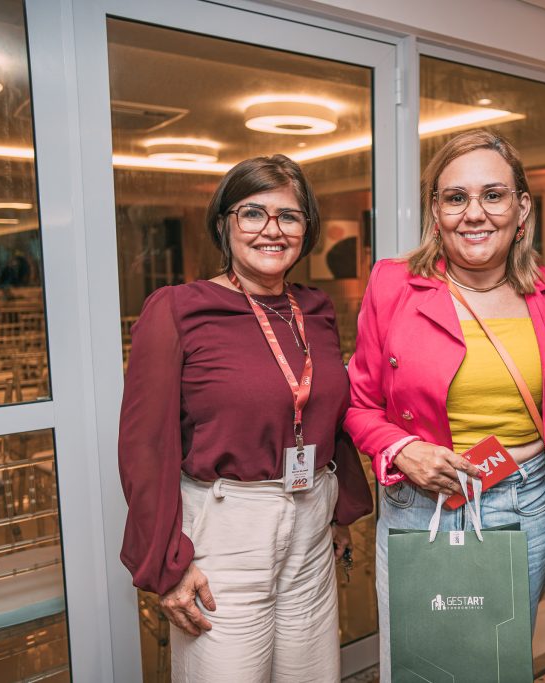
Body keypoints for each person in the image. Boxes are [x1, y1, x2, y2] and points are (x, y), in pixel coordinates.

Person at [118, 155, 373, 682]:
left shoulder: (316, 309)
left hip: (311, 524)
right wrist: (168, 563)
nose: (271, 230)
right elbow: (145, 447)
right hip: (224, 532)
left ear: (307, 229)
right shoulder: (177, 309)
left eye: (289, 216)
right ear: (223, 224)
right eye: (253, 213)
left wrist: (338, 511)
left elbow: (326, 415)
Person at [344, 131, 545, 680]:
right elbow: (357, 402)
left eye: (493, 195)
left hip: (525, 499)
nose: (475, 213)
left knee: (499, 663)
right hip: (424, 504)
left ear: (521, 207)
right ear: (435, 211)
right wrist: (401, 447)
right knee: (422, 667)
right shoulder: (394, 285)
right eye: (455, 197)